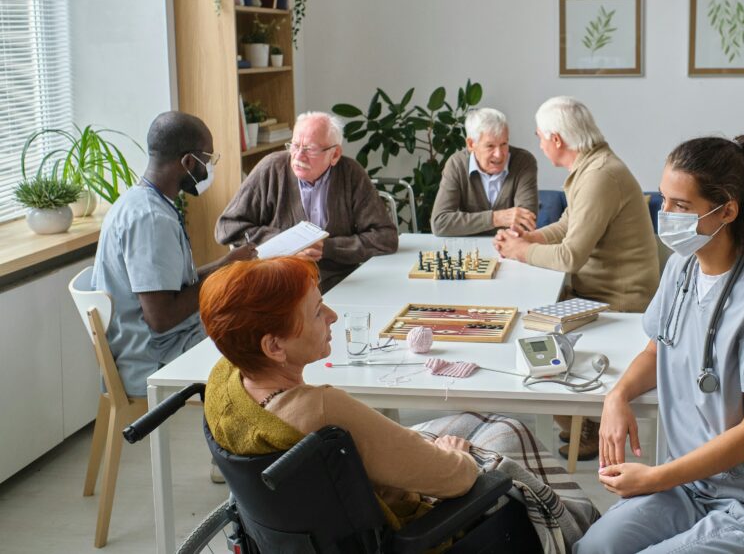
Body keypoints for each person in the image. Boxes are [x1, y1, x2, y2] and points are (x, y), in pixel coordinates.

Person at [200, 256, 598, 547]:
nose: (334, 317)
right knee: (508, 430)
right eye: (318, 311)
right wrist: (454, 455)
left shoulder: (226, 382)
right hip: (417, 530)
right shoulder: (321, 411)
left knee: (478, 418)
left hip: (325, 524)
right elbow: (456, 479)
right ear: (274, 346)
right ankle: (581, 529)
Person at [575, 135, 744, 554]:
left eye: (681, 205)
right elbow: (657, 349)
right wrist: (617, 395)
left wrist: (655, 477)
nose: (665, 214)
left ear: (727, 210)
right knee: (595, 548)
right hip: (692, 488)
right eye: (662, 199)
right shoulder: (680, 269)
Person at [493, 96, 660, 461]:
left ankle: (581, 426)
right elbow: (571, 224)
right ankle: (579, 422)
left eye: (539, 136)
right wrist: (530, 239)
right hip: (600, 288)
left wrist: (520, 252)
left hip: (619, 298)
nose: (538, 143)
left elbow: (570, 255)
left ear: (555, 139)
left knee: (532, 329)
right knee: (531, 319)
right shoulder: (593, 166)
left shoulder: (600, 175)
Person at [92, 111, 256, 400]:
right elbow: (162, 317)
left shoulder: (141, 201)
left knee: (251, 318)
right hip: (155, 360)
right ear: (188, 162)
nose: (208, 169)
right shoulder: (151, 220)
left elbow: (175, 287)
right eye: (207, 160)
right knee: (262, 342)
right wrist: (222, 272)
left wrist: (228, 264)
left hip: (162, 343)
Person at [215, 111, 398, 293]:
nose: (298, 156)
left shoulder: (350, 174)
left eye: (309, 149)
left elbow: (385, 237)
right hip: (280, 283)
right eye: (294, 146)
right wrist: (288, 245)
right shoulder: (271, 168)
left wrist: (328, 248)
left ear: (334, 154)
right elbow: (227, 227)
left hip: (340, 283)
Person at [430, 107, 538, 236]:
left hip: (509, 248)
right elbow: (440, 223)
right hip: (469, 250)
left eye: (504, 144)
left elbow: (525, 223)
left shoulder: (523, 161)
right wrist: (496, 218)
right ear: (471, 144)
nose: (499, 154)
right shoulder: (456, 165)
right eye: (490, 146)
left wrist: (467, 224)